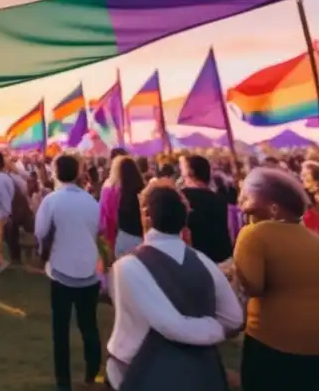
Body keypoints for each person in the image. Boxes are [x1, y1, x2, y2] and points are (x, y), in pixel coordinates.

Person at [106, 180, 242, 389]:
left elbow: (170, 324)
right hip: (200, 372)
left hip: (140, 371)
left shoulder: (128, 266)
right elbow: (233, 318)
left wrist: (214, 329)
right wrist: (215, 328)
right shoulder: (204, 262)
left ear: (146, 216)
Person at [234, 167, 319, 388]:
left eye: (247, 198)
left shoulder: (254, 235)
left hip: (271, 343)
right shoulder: (313, 238)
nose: (243, 207)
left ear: (273, 206)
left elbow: (253, 286)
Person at [34, 154, 102, 391]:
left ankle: (63, 382)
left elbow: (40, 232)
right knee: (89, 326)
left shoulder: (51, 201)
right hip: (89, 271)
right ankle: (92, 372)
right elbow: (98, 230)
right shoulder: (92, 202)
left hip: (61, 272)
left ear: (55, 173)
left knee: (60, 331)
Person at [180, 155, 234, 263]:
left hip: (193, 260)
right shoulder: (220, 200)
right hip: (220, 260)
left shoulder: (181, 198)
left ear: (190, 173)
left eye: (182, 170)